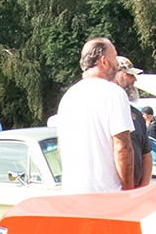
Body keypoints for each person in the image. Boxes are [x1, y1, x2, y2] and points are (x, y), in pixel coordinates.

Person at [55, 38, 134, 193]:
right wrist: (128, 193)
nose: (117, 64)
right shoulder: (114, 93)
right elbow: (122, 147)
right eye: (114, 58)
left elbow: (61, 148)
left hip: (72, 194)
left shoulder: (69, 97)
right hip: (106, 195)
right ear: (103, 61)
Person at [113, 56, 153, 188]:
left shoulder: (136, 115)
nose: (134, 79)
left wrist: (142, 189)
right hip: (112, 193)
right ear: (117, 74)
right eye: (130, 75)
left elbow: (146, 154)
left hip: (135, 194)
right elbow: (121, 150)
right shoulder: (106, 112)